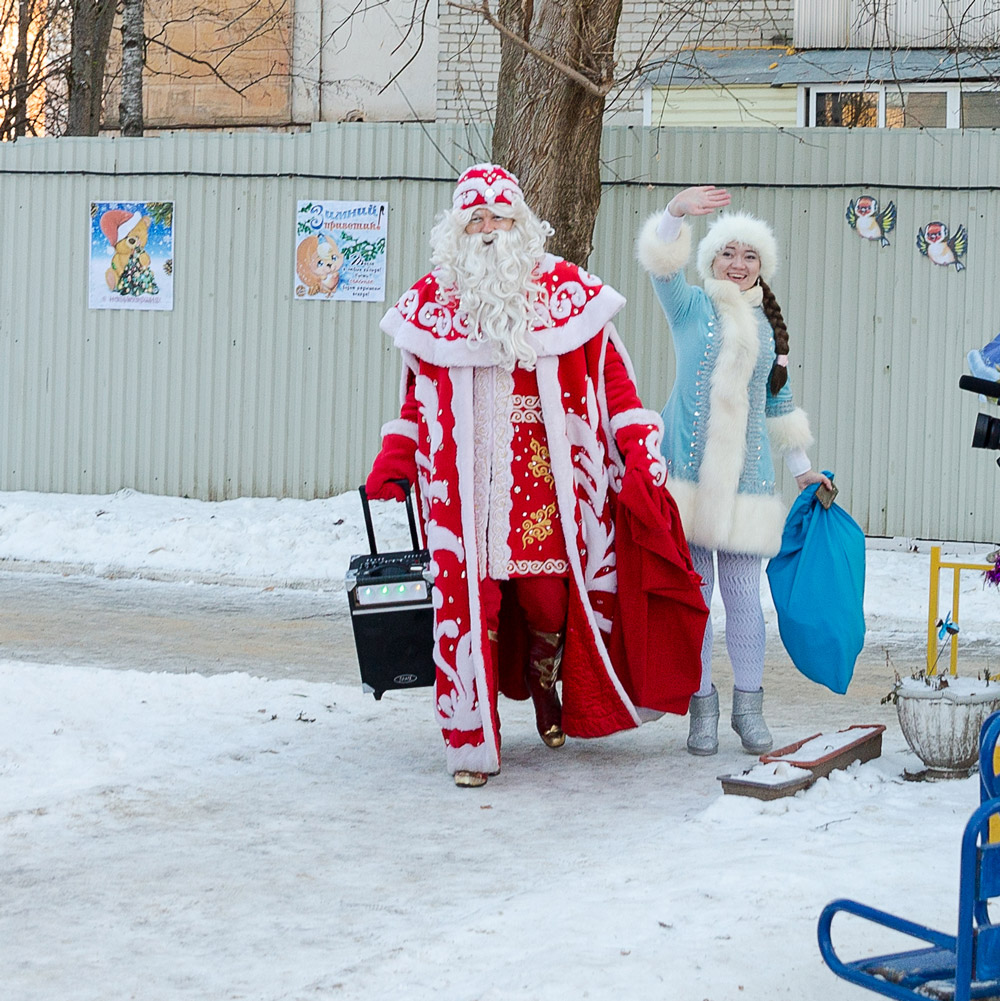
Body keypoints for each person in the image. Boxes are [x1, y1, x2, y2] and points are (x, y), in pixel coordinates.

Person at [365, 164, 708, 787]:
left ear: (522, 225)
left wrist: (637, 445)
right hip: (464, 498)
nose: (489, 230)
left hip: (545, 490)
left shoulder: (567, 294)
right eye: (477, 219)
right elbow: (416, 399)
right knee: (473, 613)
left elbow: (614, 383)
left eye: (500, 218)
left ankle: (550, 690)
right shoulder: (431, 305)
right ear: (457, 229)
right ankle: (473, 739)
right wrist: (397, 455)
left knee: (549, 607)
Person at [637, 185, 832, 757]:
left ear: (761, 265)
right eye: (728, 253)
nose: (738, 264)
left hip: (747, 483)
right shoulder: (689, 306)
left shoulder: (770, 330)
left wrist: (802, 471)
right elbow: (660, 260)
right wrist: (674, 211)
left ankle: (749, 709)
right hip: (689, 479)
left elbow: (779, 402)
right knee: (696, 600)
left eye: (749, 256)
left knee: (745, 600)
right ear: (711, 261)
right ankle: (701, 711)